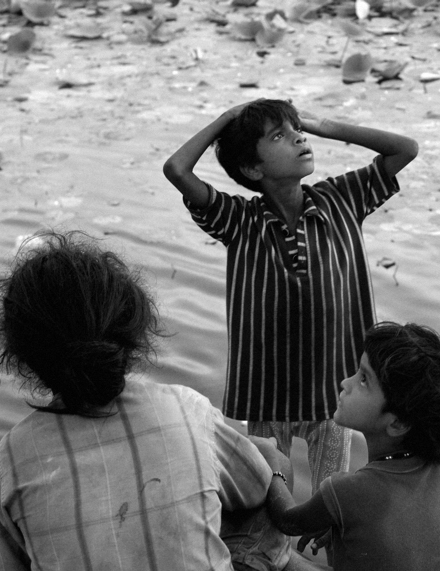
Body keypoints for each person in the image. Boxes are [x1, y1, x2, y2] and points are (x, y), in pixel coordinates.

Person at [0, 231, 322, 571]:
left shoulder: (11, 459)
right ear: (130, 329)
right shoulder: (185, 410)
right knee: (266, 457)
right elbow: (256, 487)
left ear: (25, 356)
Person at [163, 99, 419, 495]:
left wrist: (323, 124)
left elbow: (406, 149)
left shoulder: (341, 199)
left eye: (295, 129)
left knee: (331, 501)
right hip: (265, 394)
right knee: (270, 502)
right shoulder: (239, 220)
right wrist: (227, 120)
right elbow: (177, 170)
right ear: (252, 168)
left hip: (334, 394)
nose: (299, 138)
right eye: (279, 136)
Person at [249, 322, 440, 571]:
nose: (345, 383)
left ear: (398, 423)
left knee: (263, 551)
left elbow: (287, 521)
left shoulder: (349, 491)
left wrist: (273, 465)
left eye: (363, 380)